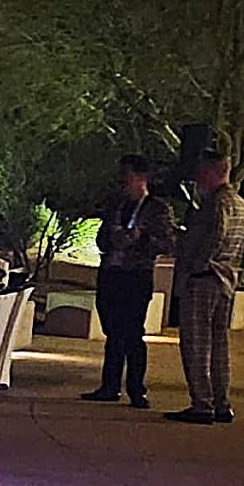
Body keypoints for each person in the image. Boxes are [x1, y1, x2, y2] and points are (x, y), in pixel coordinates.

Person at [81, 153, 175, 408]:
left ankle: (136, 389)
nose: (122, 181)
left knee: (133, 333)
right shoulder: (116, 206)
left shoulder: (156, 208)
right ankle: (109, 386)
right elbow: (100, 239)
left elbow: (167, 243)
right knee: (112, 331)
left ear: (141, 178)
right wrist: (112, 238)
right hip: (111, 273)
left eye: (128, 175)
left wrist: (140, 238)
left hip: (136, 276)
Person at [167, 151, 244, 424]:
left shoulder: (216, 204)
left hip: (205, 278)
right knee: (218, 345)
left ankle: (202, 403)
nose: (198, 178)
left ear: (215, 172)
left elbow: (213, 237)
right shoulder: (239, 203)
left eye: (203, 173)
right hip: (226, 280)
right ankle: (221, 403)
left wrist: (193, 266)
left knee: (196, 344)